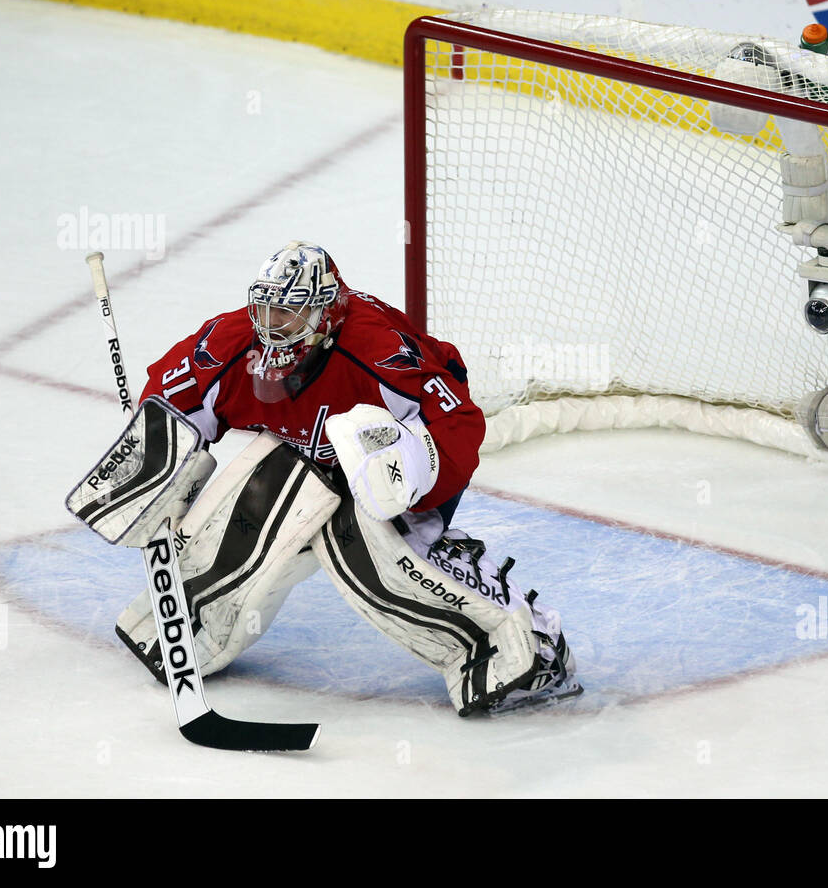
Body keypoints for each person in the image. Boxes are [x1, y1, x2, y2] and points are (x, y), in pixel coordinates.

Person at [107, 241, 580, 715]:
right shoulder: (233, 343)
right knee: (255, 495)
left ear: (326, 314)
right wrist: (156, 464)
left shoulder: (375, 350)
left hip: (391, 462)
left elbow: (457, 424)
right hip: (305, 460)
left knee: (368, 549)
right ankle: (190, 624)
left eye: (289, 314)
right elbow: (171, 396)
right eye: (266, 309)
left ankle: (523, 647)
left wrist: (411, 480)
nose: (272, 326)